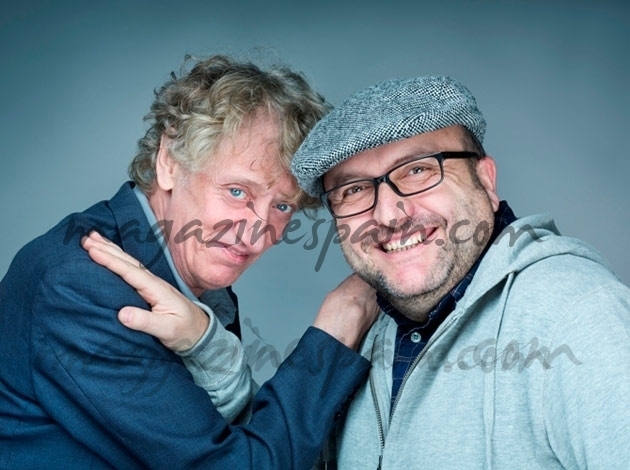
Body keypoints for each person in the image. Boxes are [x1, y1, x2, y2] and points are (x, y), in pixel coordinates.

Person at [95, 75, 630, 468]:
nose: (389, 213)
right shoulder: (368, 339)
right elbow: (269, 457)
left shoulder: (576, 315)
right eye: (354, 190)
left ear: (486, 182)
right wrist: (209, 347)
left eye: (418, 170)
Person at [0, 55, 379, 469]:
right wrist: (338, 326)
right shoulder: (82, 286)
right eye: (237, 192)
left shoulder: (194, 275)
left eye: (283, 206)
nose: (257, 233)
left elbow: (223, 433)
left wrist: (208, 344)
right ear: (169, 162)